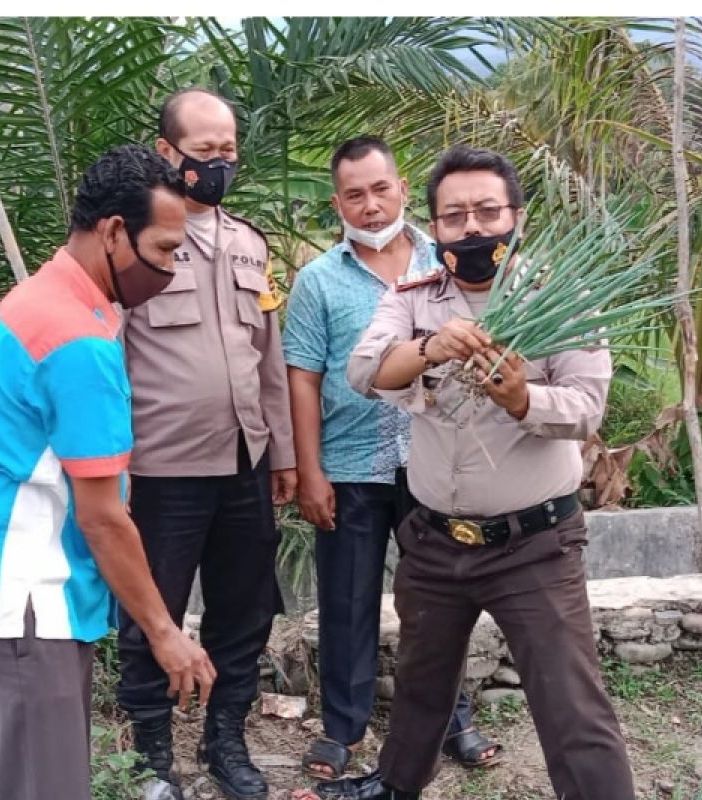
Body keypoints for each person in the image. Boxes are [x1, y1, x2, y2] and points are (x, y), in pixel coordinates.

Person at [312, 145, 637, 800]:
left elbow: (584, 409)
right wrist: (430, 346)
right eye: (454, 215)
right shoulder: (415, 298)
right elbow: (364, 370)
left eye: (487, 211)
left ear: (515, 216)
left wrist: (521, 398)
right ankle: (394, 786)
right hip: (433, 540)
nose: (472, 228)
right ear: (433, 227)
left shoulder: (563, 299)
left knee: (570, 705)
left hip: (533, 546)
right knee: (421, 685)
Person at [0, 144, 217, 800]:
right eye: (167, 250)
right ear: (115, 231)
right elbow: (102, 515)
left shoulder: (52, 301)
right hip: (25, 607)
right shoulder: (76, 338)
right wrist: (167, 634)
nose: (171, 269)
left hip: (16, 609)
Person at [283, 137, 501, 782]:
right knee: (347, 601)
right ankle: (342, 731)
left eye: (381, 189)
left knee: (441, 602)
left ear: (404, 189)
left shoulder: (451, 262)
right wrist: (310, 470)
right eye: (355, 194)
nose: (371, 205)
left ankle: (454, 718)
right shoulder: (319, 280)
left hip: (438, 464)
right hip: (350, 467)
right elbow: (301, 377)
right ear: (338, 202)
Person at [117, 87, 297, 800]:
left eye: (228, 150)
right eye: (204, 152)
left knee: (244, 612)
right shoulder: (136, 238)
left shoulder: (251, 244)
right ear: (168, 153)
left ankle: (227, 740)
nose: (219, 164)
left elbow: (270, 357)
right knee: (151, 610)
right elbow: (111, 351)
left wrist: (281, 452)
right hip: (161, 467)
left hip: (245, 463)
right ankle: (153, 754)